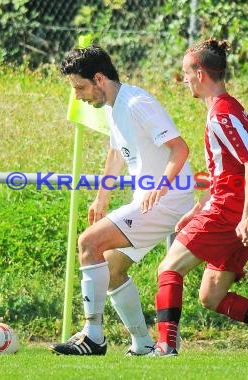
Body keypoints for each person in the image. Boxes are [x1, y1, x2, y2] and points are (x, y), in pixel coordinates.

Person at [149, 38, 248, 357]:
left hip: (231, 210)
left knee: (169, 267)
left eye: (186, 73)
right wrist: (197, 209)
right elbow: (226, 169)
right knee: (211, 295)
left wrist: (246, 215)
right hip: (233, 207)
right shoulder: (223, 110)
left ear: (201, 74)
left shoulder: (223, 113)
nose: (183, 80)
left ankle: (165, 346)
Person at [49, 46, 194, 356]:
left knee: (89, 243)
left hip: (166, 202)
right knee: (112, 268)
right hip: (151, 201)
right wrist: (101, 198)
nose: (78, 96)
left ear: (99, 78)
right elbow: (116, 153)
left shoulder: (138, 103)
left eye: (80, 87)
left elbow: (180, 148)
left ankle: (93, 335)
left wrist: (160, 188)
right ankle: (142, 343)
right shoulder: (115, 106)